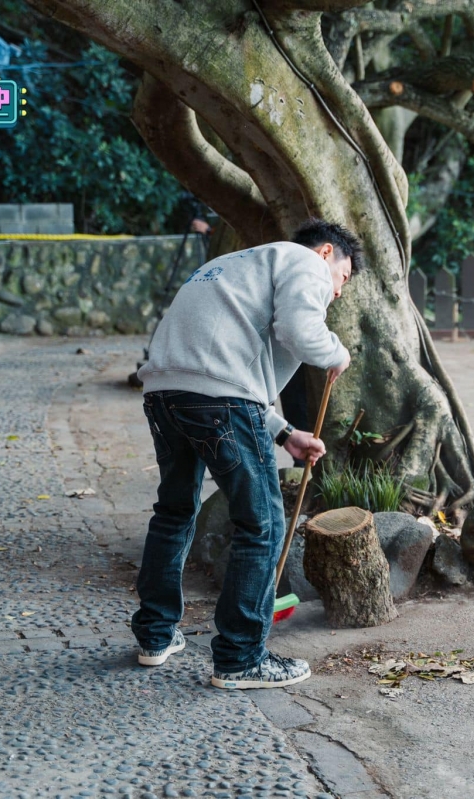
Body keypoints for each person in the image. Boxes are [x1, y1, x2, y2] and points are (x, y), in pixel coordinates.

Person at [132, 218, 360, 689]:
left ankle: (154, 636)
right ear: (325, 254)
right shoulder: (303, 261)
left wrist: (284, 433)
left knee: (175, 512)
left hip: (164, 394)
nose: (338, 292)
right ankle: (240, 657)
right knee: (264, 523)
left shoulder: (232, 265)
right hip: (217, 401)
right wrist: (338, 353)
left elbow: (217, 368)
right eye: (345, 276)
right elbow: (299, 330)